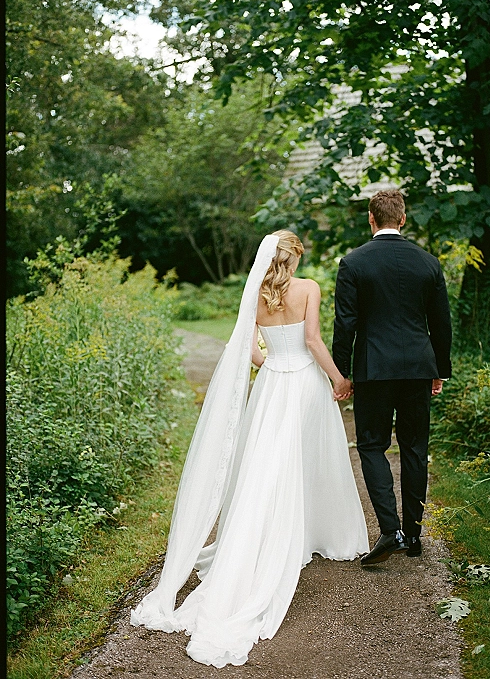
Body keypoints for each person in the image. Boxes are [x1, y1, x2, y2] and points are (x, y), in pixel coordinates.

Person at [131, 230, 369, 667]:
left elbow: (245, 350)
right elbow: (314, 341)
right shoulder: (309, 289)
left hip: (273, 384)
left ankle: (275, 533)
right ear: (293, 258)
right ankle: (312, 533)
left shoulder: (255, 296)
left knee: (268, 465)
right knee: (308, 459)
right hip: (304, 385)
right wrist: (338, 379)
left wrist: (273, 361)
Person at [332, 189, 452, 565]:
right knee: (415, 448)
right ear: (403, 219)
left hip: (375, 369)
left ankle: (391, 531)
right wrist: (440, 370)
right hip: (418, 368)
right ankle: (414, 535)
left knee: (371, 445)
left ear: (371, 219)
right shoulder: (428, 263)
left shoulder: (353, 263)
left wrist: (341, 373)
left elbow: (345, 324)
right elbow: (441, 324)